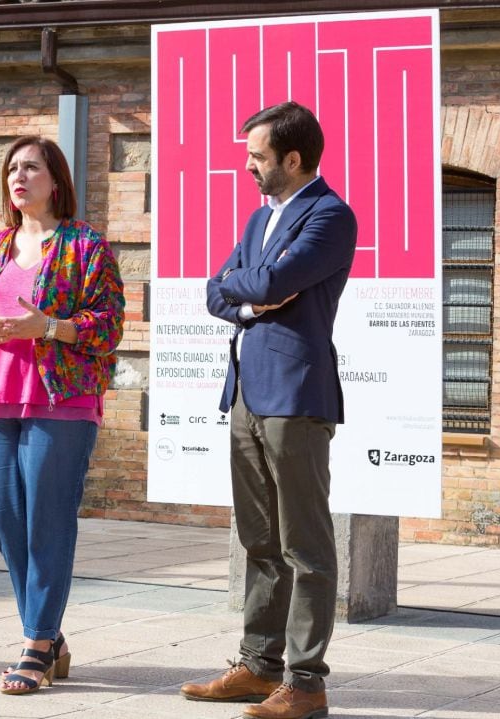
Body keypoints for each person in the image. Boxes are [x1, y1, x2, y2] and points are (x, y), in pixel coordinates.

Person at [179, 102, 357, 719]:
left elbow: (266, 283)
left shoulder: (330, 216)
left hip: (296, 394)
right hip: (248, 392)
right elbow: (218, 291)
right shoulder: (260, 220)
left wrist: (254, 288)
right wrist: (254, 298)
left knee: (305, 544)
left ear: (292, 158)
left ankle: (306, 682)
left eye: (257, 156)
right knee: (258, 537)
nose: (248, 165)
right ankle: (259, 665)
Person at [0, 135, 125, 695]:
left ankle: (36, 646)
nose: (18, 177)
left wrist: (46, 327)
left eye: (30, 167)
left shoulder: (85, 246)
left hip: (62, 398)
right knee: (6, 520)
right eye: (11, 169)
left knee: (47, 521)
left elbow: (109, 326)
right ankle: (49, 633)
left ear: (56, 180)